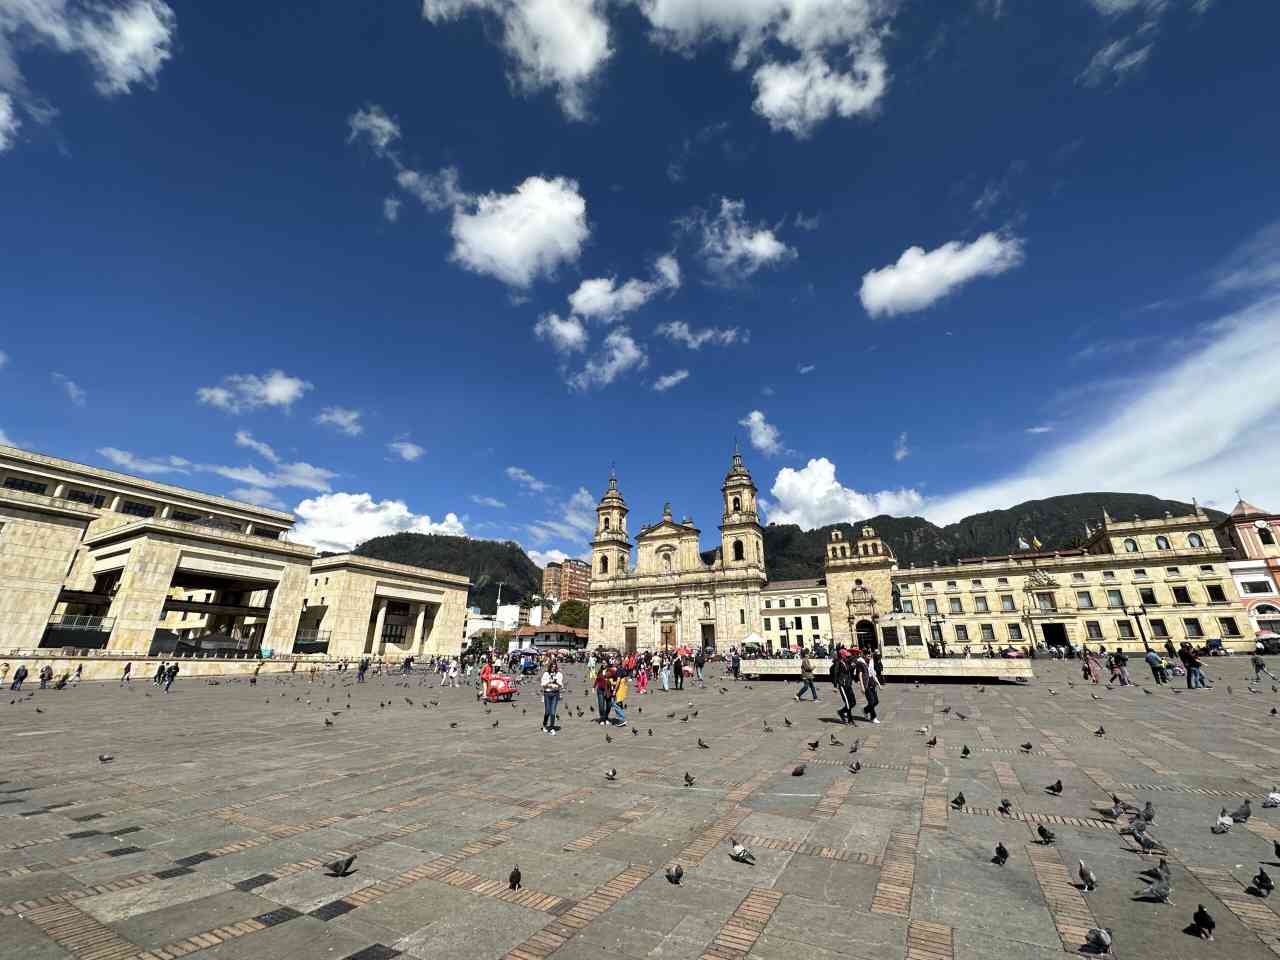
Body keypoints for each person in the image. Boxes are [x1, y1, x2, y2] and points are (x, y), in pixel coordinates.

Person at [830, 649, 857, 723]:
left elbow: (849, 669)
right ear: (842, 655)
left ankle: (841, 712)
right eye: (845, 655)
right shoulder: (838, 662)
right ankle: (850, 719)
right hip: (842, 684)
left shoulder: (846, 661)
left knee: (853, 702)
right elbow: (835, 674)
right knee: (848, 703)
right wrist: (835, 686)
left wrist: (853, 666)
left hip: (848, 684)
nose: (847, 656)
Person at [857, 650, 882, 724]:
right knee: (871, 701)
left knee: (876, 701)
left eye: (870, 655)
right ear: (864, 655)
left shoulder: (871, 662)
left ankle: (865, 710)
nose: (870, 657)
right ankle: (873, 717)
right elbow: (860, 675)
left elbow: (873, 673)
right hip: (866, 684)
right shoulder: (861, 663)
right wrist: (862, 686)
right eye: (868, 655)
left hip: (872, 683)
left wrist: (878, 684)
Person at [540, 658, 563, 735]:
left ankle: (552, 727)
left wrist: (557, 682)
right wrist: (549, 682)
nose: (553, 668)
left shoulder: (559, 674)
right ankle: (544, 725)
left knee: (553, 712)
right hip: (547, 694)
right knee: (547, 712)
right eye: (552, 666)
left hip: (555, 694)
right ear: (550, 667)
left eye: (555, 666)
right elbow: (543, 685)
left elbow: (560, 685)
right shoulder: (546, 674)